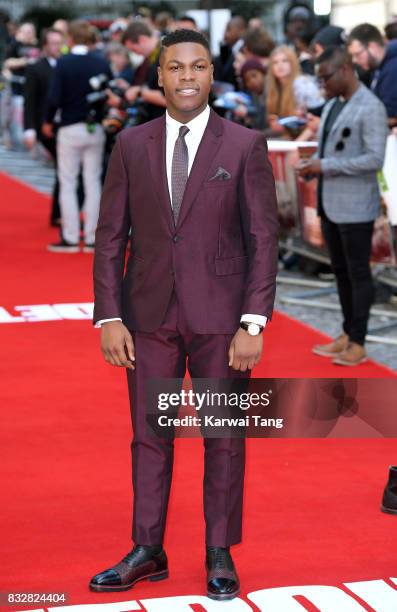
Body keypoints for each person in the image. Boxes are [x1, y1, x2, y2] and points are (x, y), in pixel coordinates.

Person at [89, 28, 278, 600]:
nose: (188, 77)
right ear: (161, 75)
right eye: (176, 68)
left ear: (210, 75)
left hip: (222, 319)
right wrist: (108, 316)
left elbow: (264, 239)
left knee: (223, 437)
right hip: (147, 316)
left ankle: (218, 551)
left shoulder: (243, 146)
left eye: (197, 67)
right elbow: (108, 236)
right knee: (149, 436)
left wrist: (253, 322)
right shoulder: (131, 144)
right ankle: (148, 548)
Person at [298, 46, 388, 366]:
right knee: (341, 272)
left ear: (346, 70)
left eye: (326, 78)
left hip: (356, 206)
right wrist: (315, 166)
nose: (322, 85)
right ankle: (348, 332)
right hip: (331, 201)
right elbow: (331, 151)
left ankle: (359, 341)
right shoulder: (336, 104)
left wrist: (326, 166)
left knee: (358, 273)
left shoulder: (371, 106)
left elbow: (374, 159)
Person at [43, 20, 112, 253]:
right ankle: (92, 237)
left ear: (70, 39)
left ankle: (71, 237)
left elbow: (54, 98)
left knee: (68, 181)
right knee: (93, 181)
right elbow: (108, 93)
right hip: (96, 127)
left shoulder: (63, 63)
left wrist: (47, 121)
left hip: (70, 126)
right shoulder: (101, 63)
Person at [23, 28, 64, 226]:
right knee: (63, 166)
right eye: (54, 43)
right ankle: (57, 213)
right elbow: (29, 101)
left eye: (60, 42)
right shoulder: (35, 68)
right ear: (45, 46)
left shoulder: (65, 64)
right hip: (44, 126)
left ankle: (58, 213)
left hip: (63, 124)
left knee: (63, 168)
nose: (58, 47)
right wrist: (29, 128)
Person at [266, 45, 323, 136]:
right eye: (275, 62)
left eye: (285, 61)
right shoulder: (275, 87)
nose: (280, 65)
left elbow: (312, 122)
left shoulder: (300, 84)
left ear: (292, 63)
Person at [347, 23, 397, 125]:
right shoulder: (379, 65)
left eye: (357, 54)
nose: (354, 60)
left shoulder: (393, 69)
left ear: (372, 46)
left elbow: (391, 116)